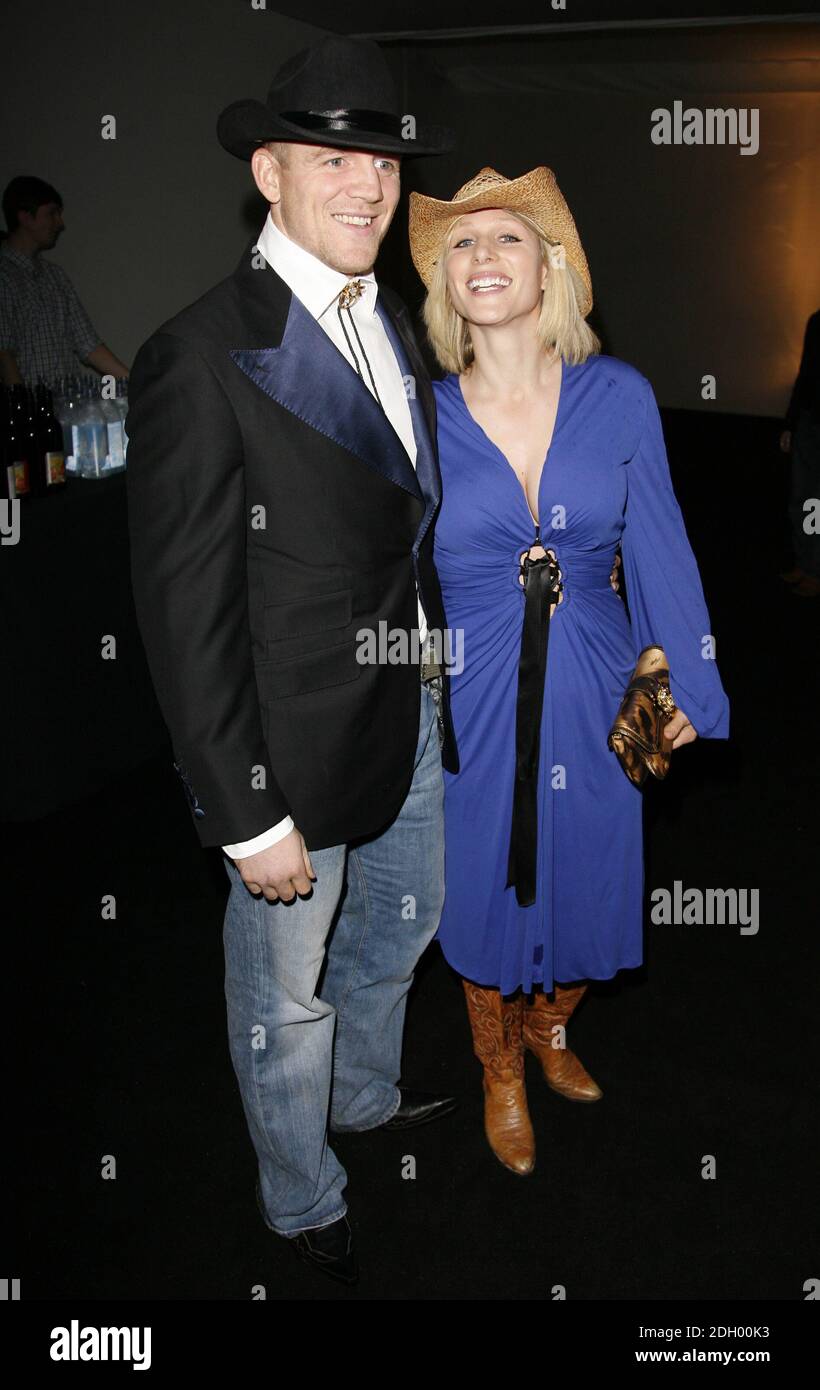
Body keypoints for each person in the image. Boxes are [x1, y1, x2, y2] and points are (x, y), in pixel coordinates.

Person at [125, 35, 461, 1287]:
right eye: (334, 158)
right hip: (288, 747)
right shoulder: (198, 354)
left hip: (411, 709)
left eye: (381, 160)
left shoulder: (392, 320)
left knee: (406, 922)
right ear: (269, 171)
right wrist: (242, 807)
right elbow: (183, 609)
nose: (369, 185)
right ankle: (295, 1188)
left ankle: (364, 1100)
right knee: (285, 995)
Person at [408, 166, 730, 1175]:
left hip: (596, 672)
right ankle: (498, 1062)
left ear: (551, 267)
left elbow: (665, 546)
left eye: (506, 239)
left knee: (591, 867)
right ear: (442, 280)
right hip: (475, 685)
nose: (482, 258)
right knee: (483, 884)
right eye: (460, 243)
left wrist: (684, 685)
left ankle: (551, 1026)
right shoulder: (417, 415)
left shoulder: (619, 395)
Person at [0, 175, 128, 385]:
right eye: (52, 213)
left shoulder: (54, 276)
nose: (60, 223)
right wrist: (23, 408)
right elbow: (3, 354)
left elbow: (88, 344)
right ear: (25, 217)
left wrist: (137, 384)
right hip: (31, 411)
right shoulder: (4, 277)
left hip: (67, 408)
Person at [778, 308, 820, 599]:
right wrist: (791, 423)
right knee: (803, 497)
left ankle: (815, 571)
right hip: (810, 420)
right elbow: (806, 372)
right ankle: (805, 564)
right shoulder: (817, 322)